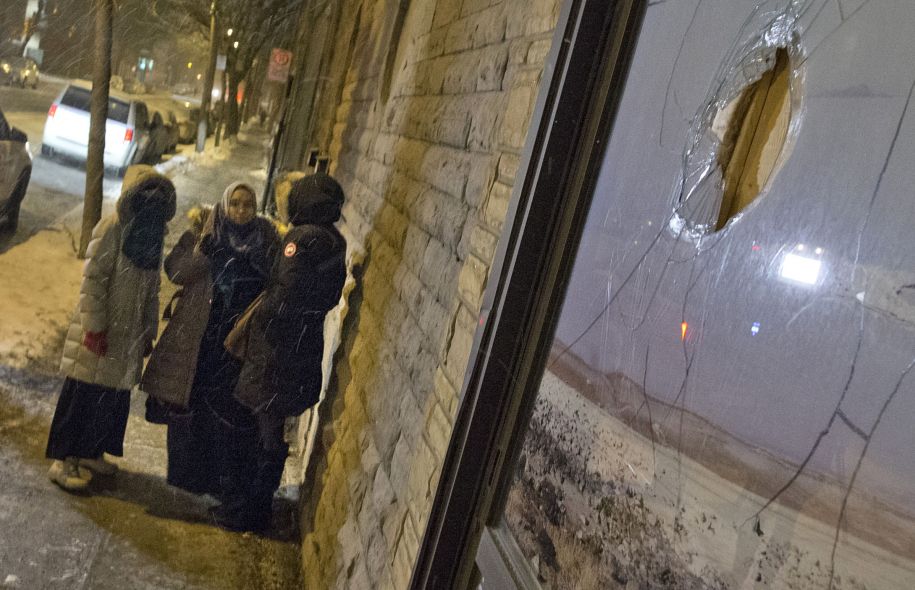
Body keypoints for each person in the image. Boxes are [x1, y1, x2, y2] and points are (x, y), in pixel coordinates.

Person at [219, 172, 347, 532]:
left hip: (277, 352)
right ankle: (255, 507)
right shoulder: (334, 241)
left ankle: (247, 511)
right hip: (302, 346)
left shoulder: (301, 239)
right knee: (271, 428)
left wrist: (265, 328)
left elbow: (283, 294)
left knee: (262, 430)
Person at [144, 182, 278, 502]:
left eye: (247, 205)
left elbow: (274, 284)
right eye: (234, 204)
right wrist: (203, 248)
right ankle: (188, 477)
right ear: (224, 204)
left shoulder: (266, 240)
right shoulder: (205, 232)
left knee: (227, 412)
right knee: (192, 406)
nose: (241, 211)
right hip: (200, 336)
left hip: (238, 343)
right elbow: (176, 272)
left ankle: (218, 480)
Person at [46, 166, 176, 492]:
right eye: (145, 194)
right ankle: (63, 460)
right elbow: (93, 280)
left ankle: (90, 451)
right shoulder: (113, 227)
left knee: (110, 399)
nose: (151, 202)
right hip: (101, 331)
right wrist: (94, 327)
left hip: (127, 334)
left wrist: (148, 330)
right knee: (83, 394)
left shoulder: (152, 234)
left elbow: (151, 289)